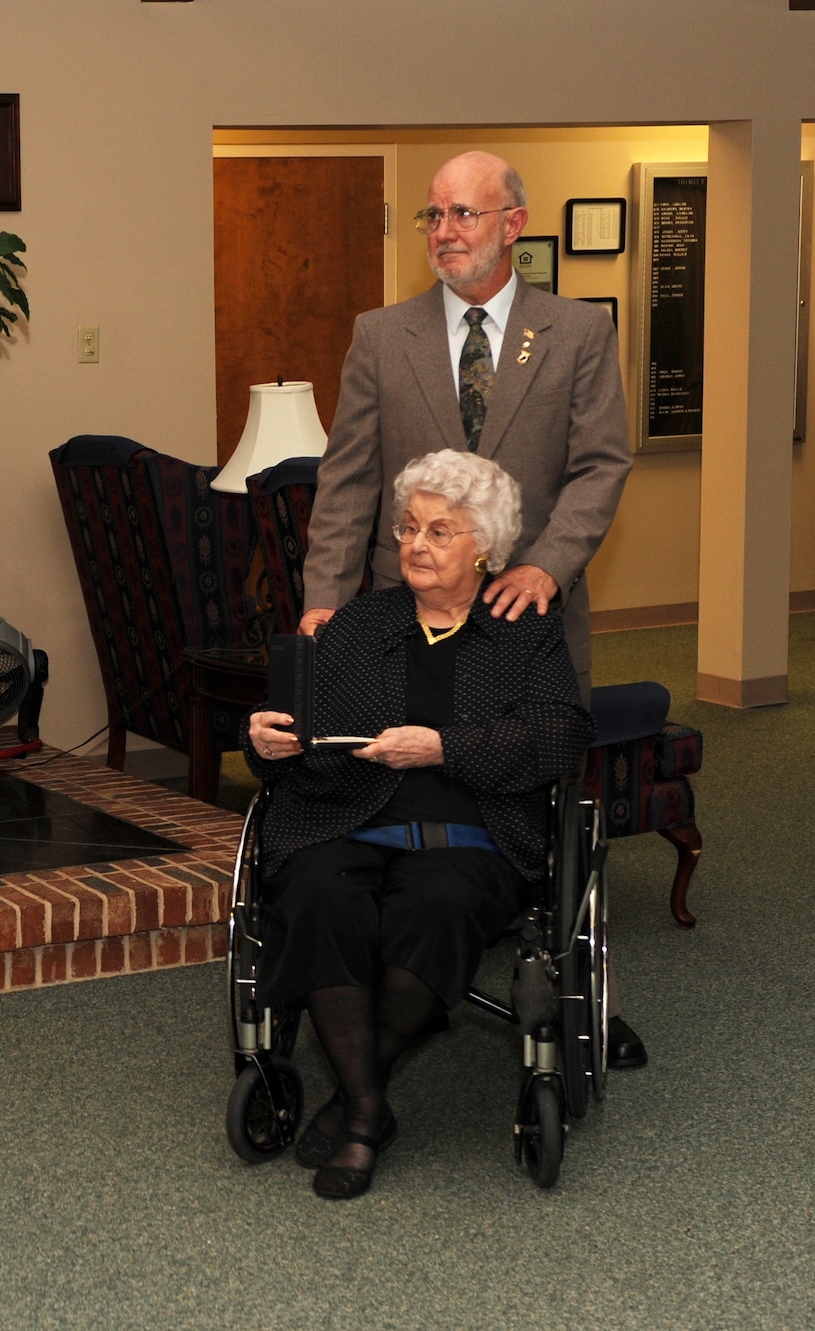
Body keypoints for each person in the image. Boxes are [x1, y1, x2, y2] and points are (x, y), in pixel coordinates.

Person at [296, 150, 646, 1072]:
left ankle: (568, 986)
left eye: (463, 214)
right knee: (385, 786)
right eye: (433, 216)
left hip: (525, 620)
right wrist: (325, 601)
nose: (444, 231)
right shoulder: (383, 334)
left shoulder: (575, 333)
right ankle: (393, 964)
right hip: (398, 619)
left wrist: (550, 567)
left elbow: (602, 463)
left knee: (532, 794)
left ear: (512, 223)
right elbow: (348, 481)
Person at [246, 451, 596, 1200]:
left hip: (472, 831)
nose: (417, 544)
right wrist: (269, 743)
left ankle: (352, 1101)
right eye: (408, 528)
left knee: (437, 907)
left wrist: (443, 746)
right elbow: (302, 745)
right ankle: (370, 1107)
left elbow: (562, 737)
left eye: (441, 530)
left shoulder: (522, 630)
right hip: (345, 814)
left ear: (485, 546)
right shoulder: (360, 623)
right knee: (315, 893)